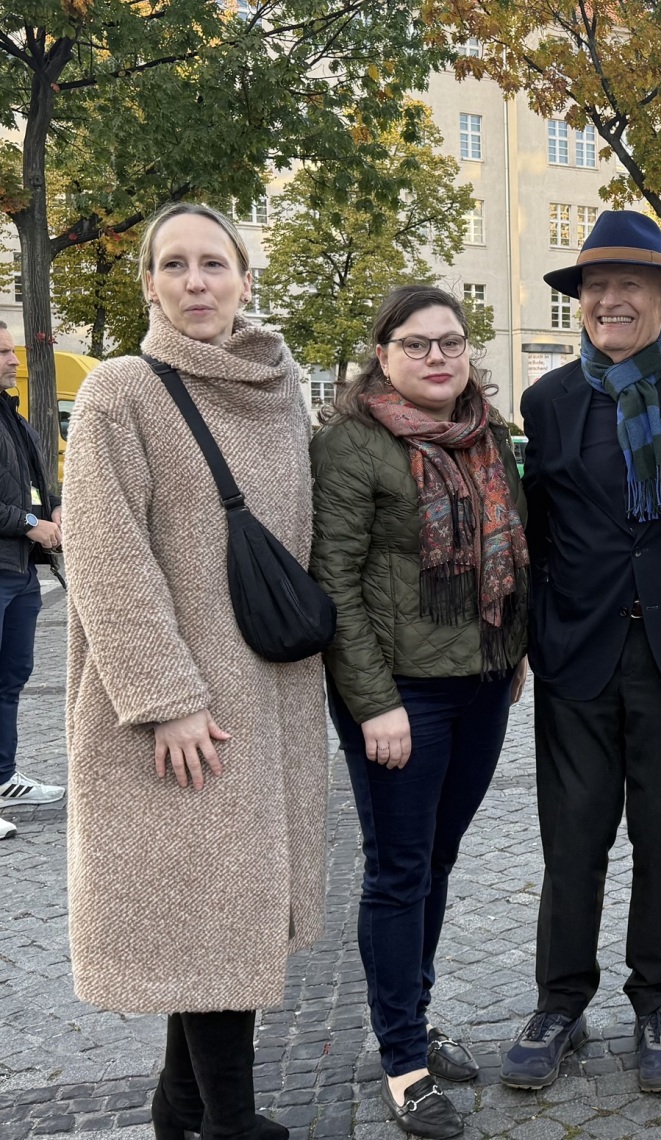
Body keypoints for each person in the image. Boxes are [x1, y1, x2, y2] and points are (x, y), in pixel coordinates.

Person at [64, 201, 326, 1140]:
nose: (195, 282)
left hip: (273, 694)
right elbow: (102, 553)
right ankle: (233, 1124)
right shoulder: (121, 391)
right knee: (213, 918)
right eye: (173, 265)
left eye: (213, 264)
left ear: (246, 279)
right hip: (186, 709)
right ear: (149, 284)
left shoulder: (279, 386)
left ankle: (178, 1111)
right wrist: (167, 699)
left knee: (227, 918)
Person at [501, 211, 661, 1094]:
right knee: (573, 838)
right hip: (579, 652)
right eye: (594, 287)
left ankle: (658, 1001)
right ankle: (559, 1002)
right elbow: (540, 530)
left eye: (629, 286)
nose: (608, 301)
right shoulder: (550, 401)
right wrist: (525, 639)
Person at [310, 285, 531, 1138]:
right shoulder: (352, 444)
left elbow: (512, 550)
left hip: (482, 685)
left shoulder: (489, 436)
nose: (437, 357)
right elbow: (336, 583)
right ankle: (402, 1056)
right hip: (401, 698)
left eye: (451, 342)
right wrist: (374, 704)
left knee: (436, 862)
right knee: (398, 871)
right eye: (416, 344)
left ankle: (416, 1012)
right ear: (384, 354)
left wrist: (510, 651)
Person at [0, 320, 65, 841]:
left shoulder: (14, 419)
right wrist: (29, 524)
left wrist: (57, 510)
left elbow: (36, 484)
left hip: (19, 571)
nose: (13, 360)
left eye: (12, 351)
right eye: (2, 353)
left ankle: (4, 779)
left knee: (13, 677)